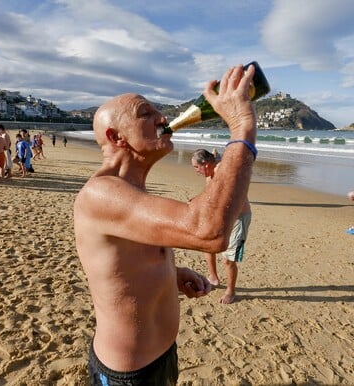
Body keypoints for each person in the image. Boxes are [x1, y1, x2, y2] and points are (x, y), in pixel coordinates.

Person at [75, 64, 258, 384]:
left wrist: (172, 275)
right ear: (115, 136)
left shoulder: (132, 193)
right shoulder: (102, 193)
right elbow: (209, 230)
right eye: (145, 113)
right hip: (128, 375)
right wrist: (241, 127)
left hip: (162, 358)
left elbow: (120, 267)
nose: (162, 118)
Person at [191, 148, 252, 304]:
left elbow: (219, 195)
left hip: (239, 218)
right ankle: (213, 277)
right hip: (222, 216)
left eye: (196, 167)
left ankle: (231, 291)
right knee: (207, 244)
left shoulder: (222, 172)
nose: (195, 171)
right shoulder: (211, 171)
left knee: (228, 260)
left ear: (205, 164)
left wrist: (197, 202)